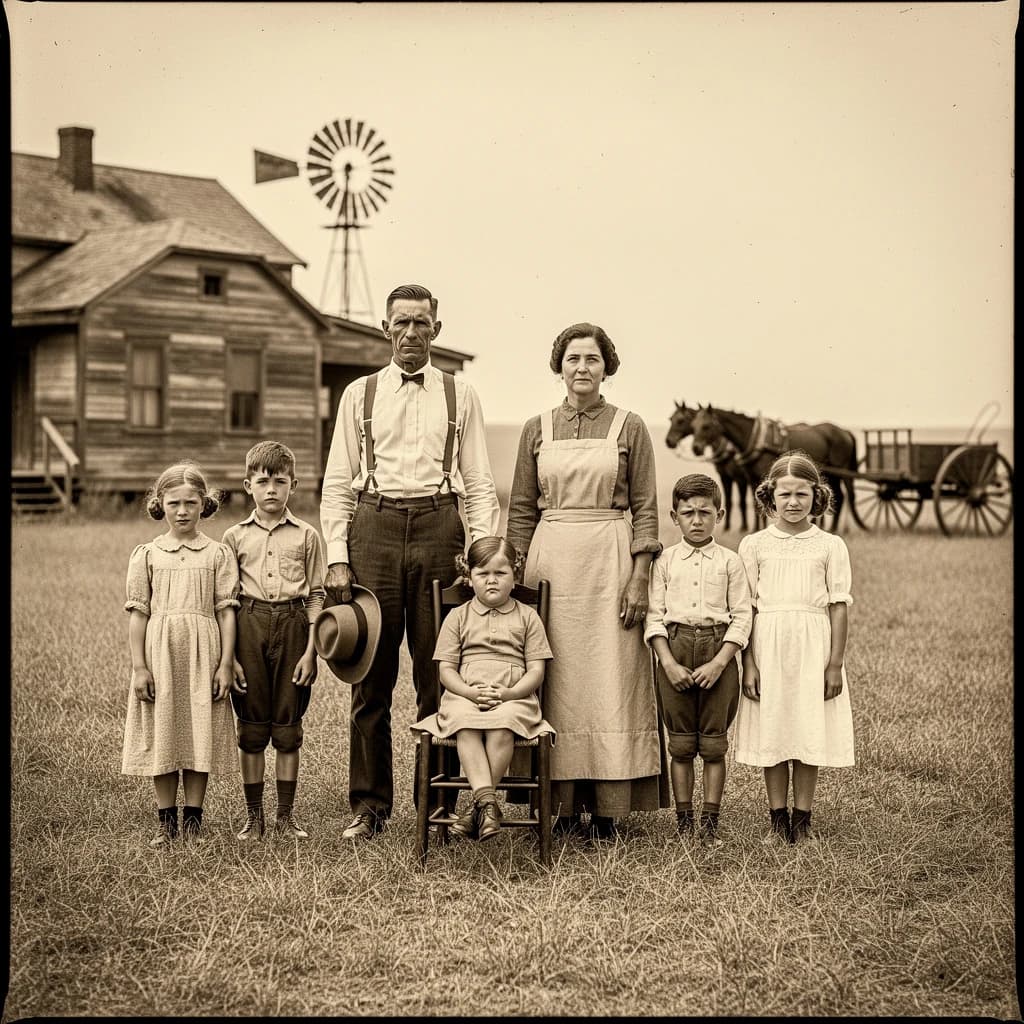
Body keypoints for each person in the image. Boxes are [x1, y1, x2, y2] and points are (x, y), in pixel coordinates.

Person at [321, 283, 501, 840]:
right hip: (373, 528)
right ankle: (370, 808)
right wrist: (336, 557)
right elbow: (336, 483)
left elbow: (477, 482)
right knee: (370, 677)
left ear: (436, 331)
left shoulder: (460, 393)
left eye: (422, 323)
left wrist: (484, 554)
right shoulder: (360, 394)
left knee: (439, 673)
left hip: (438, 528)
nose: (411, 333)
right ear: (385, 329)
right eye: (401, 323)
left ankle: (440, 807)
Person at [507, 322, 668, 841]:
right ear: (560, 366)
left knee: (610, 680)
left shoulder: (631, 425)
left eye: (592, 360)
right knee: (555, 677)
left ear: (607, 367)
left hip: (610, 562)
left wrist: (639, 579)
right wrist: (514, 579)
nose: (582, 368)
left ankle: (606, 808)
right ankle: (557, 803)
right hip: (551, 562)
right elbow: (520, 511)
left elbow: (645, 508)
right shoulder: (537, 428)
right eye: (573, 359)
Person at [734, 451, 855, 844]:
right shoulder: (754, 545)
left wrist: (834, 664)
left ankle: (802, 821)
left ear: (816, 496)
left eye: (801, 494)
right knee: (774, 732)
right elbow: (746, 608)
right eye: (784, 494)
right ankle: (776, 820)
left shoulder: (830, 545)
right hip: (767, 647)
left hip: (813, 648)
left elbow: (838, 605)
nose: (792, 502)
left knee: (806, 730)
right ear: (770, 496)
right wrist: (748, 663)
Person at [121, 462, 239, 847]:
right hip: (161, 653)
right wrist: (140, 667)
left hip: (204, 651)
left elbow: (226, 610)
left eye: (191, 502)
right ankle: (166, 821)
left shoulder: (218, 554)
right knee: (165, 732)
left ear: (205, 504)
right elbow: (139, 612)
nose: (183, 511)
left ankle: (194, 819)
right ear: (160, 504)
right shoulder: (148, 554)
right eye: (174, 503)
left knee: (198, 731)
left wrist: (225, 662)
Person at [413, 537, 554, 841]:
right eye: (483, 573)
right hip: (465, 696)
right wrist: (468, 692)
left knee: (504, 725)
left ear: (515, 575)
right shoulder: (458, 616)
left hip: (515, 697)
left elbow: (537, 672)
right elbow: (446, 670)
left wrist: (509, 694)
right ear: (469, 576)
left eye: (501, 573)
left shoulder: (528, 617)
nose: (492, 580)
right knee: (464, 724)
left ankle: (478, 807)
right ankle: (488, 804)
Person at [222, 441, 327, 841]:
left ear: (293, 485)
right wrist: (228, 658)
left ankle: (285, 816)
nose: (271, 490)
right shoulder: (233, 537)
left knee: (287, 725)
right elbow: (226, 600)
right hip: (248, 624)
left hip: (294, 624)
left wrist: (310, 650)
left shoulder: (307, 535)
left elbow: (317, 593)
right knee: (250, 726)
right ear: (248, 485)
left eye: (279, 482)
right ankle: (254, 817)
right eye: (262, 481)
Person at [645, 474, 752, 845]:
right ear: (674, 516)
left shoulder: (730, 562)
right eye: (688, 512)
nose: (696, 520)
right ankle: (683, 822)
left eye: (704, 512)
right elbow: (654, 615)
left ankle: (710, 825)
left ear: (719, 514)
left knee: (712, 744)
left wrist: (721, 662)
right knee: (681, 745)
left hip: (716, 651)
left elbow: (741, 615)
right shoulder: (664, 561)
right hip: (674, 649)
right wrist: (668, 663)